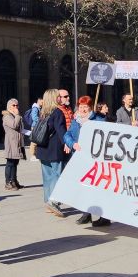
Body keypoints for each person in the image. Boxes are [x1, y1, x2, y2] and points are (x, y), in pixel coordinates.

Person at [65, 97, 110, 227]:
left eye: (85, 107)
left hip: (96, 161)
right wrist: (72, 144)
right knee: (83, 187)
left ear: (90, 107)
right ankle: (86, 214)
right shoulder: (75, 120)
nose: (83, 109)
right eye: (80, 107)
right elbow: (67, 135)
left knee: (99, 188)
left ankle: (104, 216)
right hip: (80, 159)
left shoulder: (99, 120)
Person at [34, 88, 68, 217]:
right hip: (54, 149)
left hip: (43, 148)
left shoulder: (43, 112)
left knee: (47, 176)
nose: (60, 98)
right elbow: (61, 131)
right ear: (54, 98)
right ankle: (53, 202)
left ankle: (48, 201)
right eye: (58, 96)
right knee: (57, 175)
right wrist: (68, 143)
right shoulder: (58, 112)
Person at [1, 98, 24, 190]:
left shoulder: (14, 115)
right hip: (11, 143)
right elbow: (14, 125)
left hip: (17, 143)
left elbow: (19, 127)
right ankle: (8, 182)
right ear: (9, 107)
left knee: (15, 162)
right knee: (10, 163)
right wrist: (18, 115)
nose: (15, 107)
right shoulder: (7, 116)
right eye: (13, 105)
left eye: (17, 105)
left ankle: (14, 180)